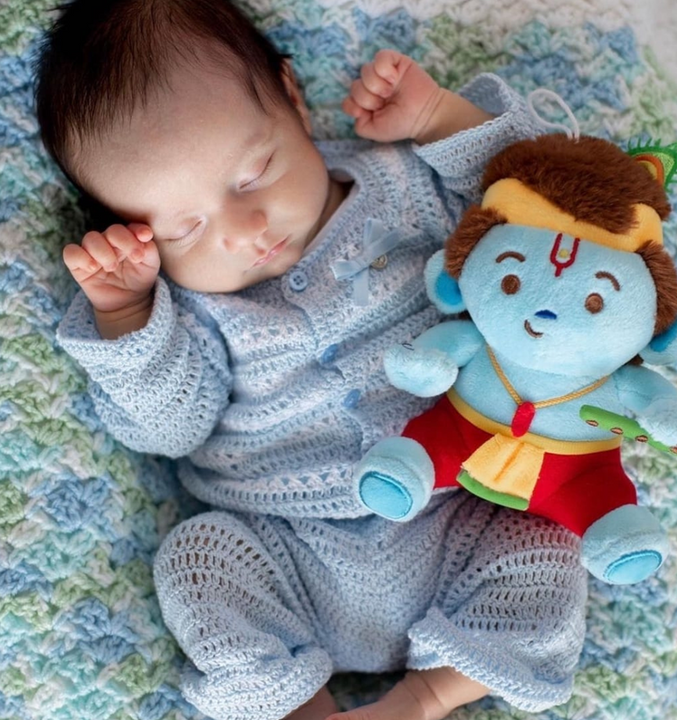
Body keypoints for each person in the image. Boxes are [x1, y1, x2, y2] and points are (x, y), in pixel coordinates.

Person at [36, 1, 588, 718]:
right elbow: (170, 431)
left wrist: (439, 119)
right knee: (197, 560)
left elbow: (544, 209)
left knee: (549, 548)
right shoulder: (184, 308)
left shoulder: (404, 188)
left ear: (291, 96)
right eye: (186, 228)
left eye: (253, 175)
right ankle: (301, 706)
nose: (245, 230)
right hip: (285, 550)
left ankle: (426, 697)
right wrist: (126, 316)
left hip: (457, 506)